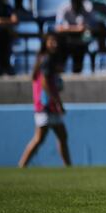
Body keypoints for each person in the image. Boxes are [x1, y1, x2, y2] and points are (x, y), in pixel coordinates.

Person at [19, 34, 71, 168]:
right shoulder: (47, 60)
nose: (55, 44)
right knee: (39, 138)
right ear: (45, 43)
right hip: (46, 105)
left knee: (62, 136)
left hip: (47, 105)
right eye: (51, 41)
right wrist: (57, 102)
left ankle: (68, 166)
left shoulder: (44, 59)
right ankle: (22, 165)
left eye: (55, 41)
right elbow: (44, 83)